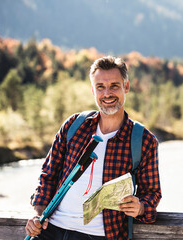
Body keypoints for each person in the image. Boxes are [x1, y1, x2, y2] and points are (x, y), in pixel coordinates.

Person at [25, 56, 162, 240]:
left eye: (114, 86)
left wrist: (140, 207)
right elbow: (48, 175)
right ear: (93, 90)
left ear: (126, 87)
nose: (107, 93)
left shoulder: (143, 140)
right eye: (100, 87)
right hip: (50, 231)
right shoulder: (74, 125)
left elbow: (152, 193)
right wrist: (38, 214)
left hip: (97, 235)